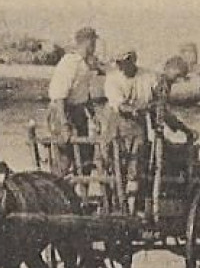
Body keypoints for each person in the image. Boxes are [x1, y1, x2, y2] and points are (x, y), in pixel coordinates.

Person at [101, 50, 159, 210]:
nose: (121, 67)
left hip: (138, 126)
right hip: (117, 125)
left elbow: (158, 99)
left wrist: (156, 108)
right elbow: (120, 105)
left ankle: (133, 208)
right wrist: (136, 108)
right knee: (114, 165)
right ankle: (115, 205)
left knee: (136, 167)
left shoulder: (148, 77)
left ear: (133, 60)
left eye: (125, 62)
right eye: (119, 63)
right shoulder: (113, 79)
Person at [47, 26, 101, 176]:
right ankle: (59, 192)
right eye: (93, 43)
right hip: (63, 111)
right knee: (65, 156)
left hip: (78, 112)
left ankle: (80, 194)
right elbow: (59, 97)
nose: (95, 47)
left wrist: (93, 115)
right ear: (87, 43)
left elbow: (84, 92)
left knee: (86, 156)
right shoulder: (69, 62)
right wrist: (64, 124)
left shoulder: (85, 64)